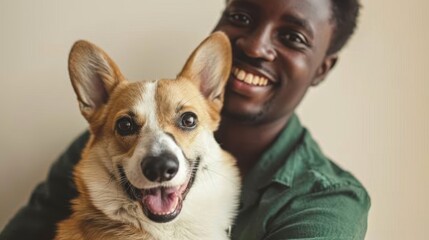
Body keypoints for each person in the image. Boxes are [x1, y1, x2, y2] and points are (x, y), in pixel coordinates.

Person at [1, 0, 370, 239]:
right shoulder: (96, 149)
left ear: (322, 68)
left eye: (293, 36)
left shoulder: (327, 204)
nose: (256, 47)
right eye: (241, 17)